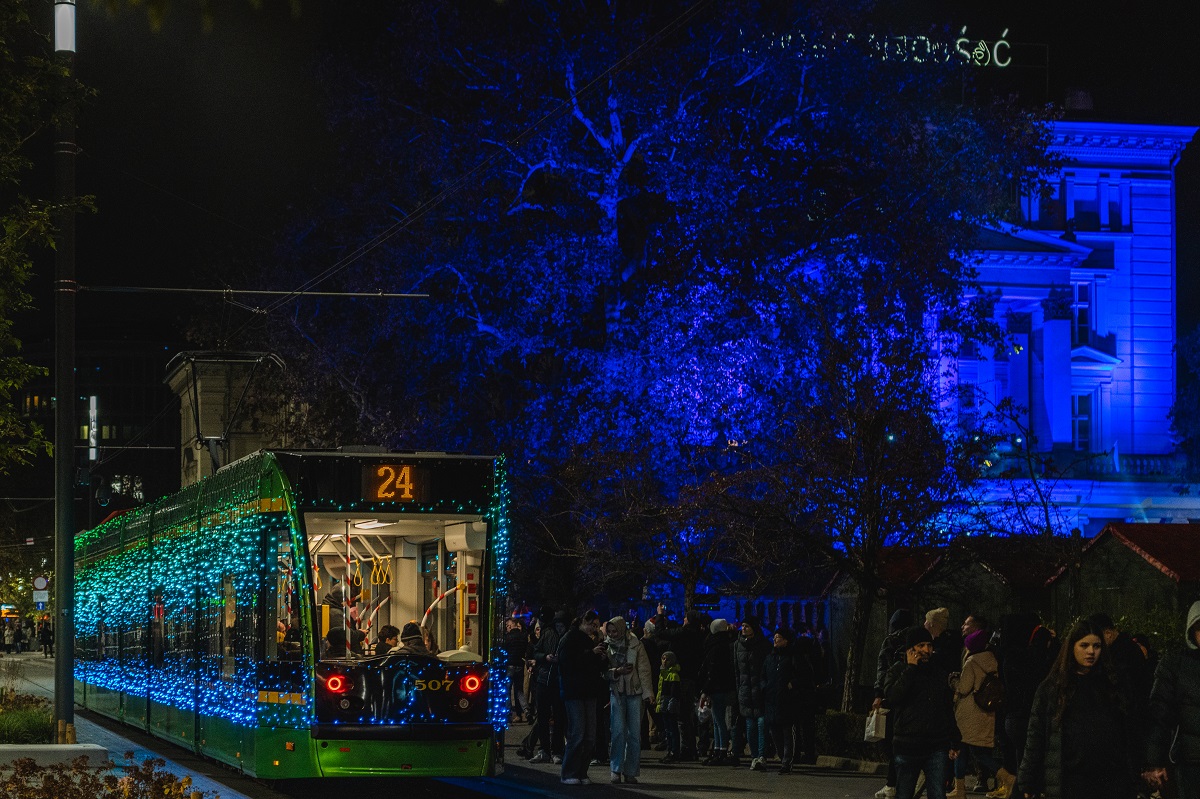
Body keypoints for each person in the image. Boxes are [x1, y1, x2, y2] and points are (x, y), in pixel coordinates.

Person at [1018, 620, 1136, 799]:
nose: (1091, 652)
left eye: (1096, 646)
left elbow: (1128, 731)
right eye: (1084, 645)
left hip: (1111, 781)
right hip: (1070, 782)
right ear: (1072, 647)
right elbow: (1036, 735)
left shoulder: (1113, 685)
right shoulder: (1052, 689)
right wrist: (1028, 779)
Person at [883, 625, 962, 799]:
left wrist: (955, 739)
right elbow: (893, 697)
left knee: (937, 794)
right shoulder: (897, 670)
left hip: (936, 745)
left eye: (929, 645)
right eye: (921, 646)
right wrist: (911, 669)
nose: (926, 650)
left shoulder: (938, 673)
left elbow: (946, 708)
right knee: (904, 793)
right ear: (910, 649)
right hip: (907, 745)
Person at [1144, 600, 1200, 799]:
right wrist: (1154, 762)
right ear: (1192, 631)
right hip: (1191, 765)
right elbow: (1159, 715)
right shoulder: (1176, 666)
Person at [951, 629, 1009, 799]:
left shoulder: (972, 662)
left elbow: (963, 688)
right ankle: (1007, 778)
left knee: (963, 750)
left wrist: (953, 680)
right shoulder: (992, 660)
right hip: (985, 714)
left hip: (968, 715)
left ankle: (960, 789)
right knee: (979, 753)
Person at [556, 610, 606, 786]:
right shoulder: (570, 639)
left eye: (596, 625)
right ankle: (569, 771)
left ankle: (581, 771)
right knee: (578, 733)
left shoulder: (587, 640)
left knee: (589, 735)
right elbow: (567, 664)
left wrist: (599, 657)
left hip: (588, 691)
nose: (595, 628)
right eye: (593, 624)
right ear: (584, 622)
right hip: (574, 692)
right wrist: (591, 654)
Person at [603, 616, 653, 784]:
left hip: (634, 691)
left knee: (634, 734)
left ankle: (630, 770)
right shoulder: (605, 646)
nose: (612, 634)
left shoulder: (635, 644)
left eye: (614, 630)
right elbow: (602, 672)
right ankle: (616, 769)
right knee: (617, 731)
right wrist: (616, 671)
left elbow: (644, 669)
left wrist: (648, 693)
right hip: (617, 691)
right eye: (609, 631)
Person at [874, 609, 915, 799]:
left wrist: (878, 693)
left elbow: (882, 669)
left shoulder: (890, 641)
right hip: (912, 695)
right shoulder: (916, 639)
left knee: (891, 742)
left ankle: (893, 784)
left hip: (892, 694)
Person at [763, 627, 812, 774]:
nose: (775, 640)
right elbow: (763, 675)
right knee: (774, 731)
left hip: (787, 700)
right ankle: (782, 755)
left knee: (787, 732)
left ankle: (786, 761)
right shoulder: (770, 658)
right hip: (772, 699)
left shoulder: (793, 657)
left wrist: (792, 685)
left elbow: (804, 675)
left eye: (778, 637)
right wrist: (764, 688)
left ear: (786, 640)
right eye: (775, 637)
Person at [529, 611, 567, 764]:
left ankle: (556, 751)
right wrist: (545, 657)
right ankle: (544, 750)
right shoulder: (548, 634)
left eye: (561, 625)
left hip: (557, 681)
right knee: (543, 717)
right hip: (544, 680)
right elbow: (536, 652)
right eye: (557, 625)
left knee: (558, 718)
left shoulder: (566, 638)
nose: (559, 628)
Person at [732, 619, 770, 770]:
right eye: (743, 626)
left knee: (761, 724)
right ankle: (754, 756)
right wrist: (739, 689)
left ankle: (762, 756)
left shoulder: (763, 645)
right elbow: (737, 670)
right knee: (750, 725)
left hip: (760, 690)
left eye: (747, 626)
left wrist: (764, 686)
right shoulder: (737, 645)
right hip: (746, 690)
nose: (743, 629)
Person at [699, 618, 737, 765]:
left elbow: (713, 670)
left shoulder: (716, 646)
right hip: (721, 686)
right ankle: (718, 749)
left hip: (717, 687)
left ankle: (720, 750)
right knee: (717, 720)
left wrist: (706, 688)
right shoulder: (724, 644)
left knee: (718, 720)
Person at [657, 650, 683, 763]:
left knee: (672, 728)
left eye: (667, 659)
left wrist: (672, 702)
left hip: (669, 702)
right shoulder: (663, 673)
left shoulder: (673, 675)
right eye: (663, 658)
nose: (664, 661)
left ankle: (674, 751)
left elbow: (674, 692)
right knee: (667, 729)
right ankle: (670, 750)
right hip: (664, 701)